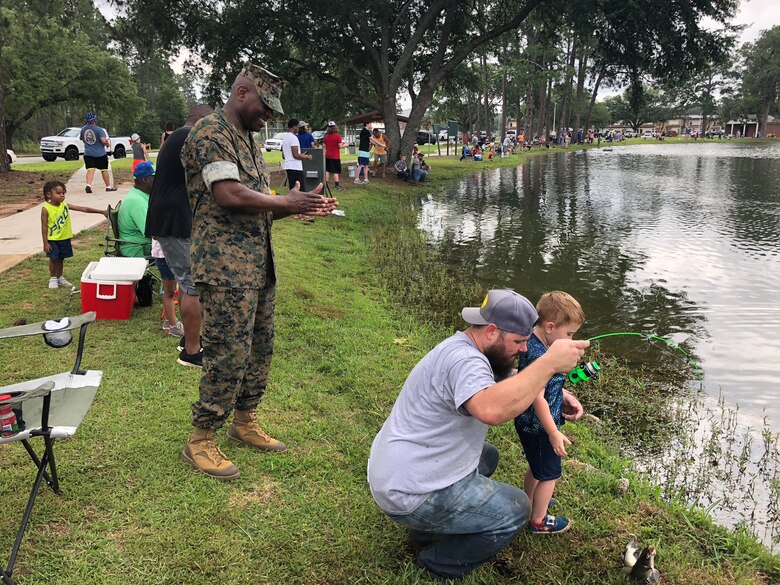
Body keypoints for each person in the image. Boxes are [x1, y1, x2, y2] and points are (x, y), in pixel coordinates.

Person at [179, 62, 338, 481]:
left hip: (257, 264)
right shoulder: (210, 132)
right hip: (225, 268)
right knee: (227, 352)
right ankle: (201, 439)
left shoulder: (248, 140)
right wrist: (284, 202)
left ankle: (244, 420)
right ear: (242, 93)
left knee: (260, 347)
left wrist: (298, 207)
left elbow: (255, 207)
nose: (268, 116)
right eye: (265, 107)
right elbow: (228, 194)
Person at [368, 289, 588, 579]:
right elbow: (491, 410)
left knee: (488, 455)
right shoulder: (465, 362)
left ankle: (426, 531)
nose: (524, 349)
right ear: (492, 331)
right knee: (517, 508)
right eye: (519, 342)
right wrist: (548, 364)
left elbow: (509, 380)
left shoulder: (469, 348)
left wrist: (559, 389)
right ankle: (437, 562)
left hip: (402, 470)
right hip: (408, 491)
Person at [145, 104, 214, 368]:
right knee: (192, 283)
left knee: (188, 281)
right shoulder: (187, 136)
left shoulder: (176, 138)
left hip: (171, 217)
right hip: (173, 219)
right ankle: (192, 351)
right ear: (202, 120)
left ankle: (189, 339)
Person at [514, 291, 585, 535]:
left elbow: (546, 384)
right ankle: (538, 520)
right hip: (540, 425)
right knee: (550, 474)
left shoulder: (535, 345)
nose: (571, 340)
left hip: (528, 421)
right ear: (550, 327)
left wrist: (564, 395)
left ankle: (530, 501)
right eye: (569, 335)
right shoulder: (540, 355)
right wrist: (553, 432)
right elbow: (537, 396)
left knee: (537, 466)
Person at [40, 180, 107, 289]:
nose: (62, 195)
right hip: (52, 239)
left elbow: (84, 209)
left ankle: (60, 277)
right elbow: (44, 226)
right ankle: (53, 278)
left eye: (63, 193)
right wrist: (45, 242)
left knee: (61, 258)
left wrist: (101, 211)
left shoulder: (65, 206)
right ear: (49, 194)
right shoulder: (46, 209)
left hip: (64, 238)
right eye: (58, 193)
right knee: (53, 258)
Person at [118, 161, 155, 258]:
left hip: (143, 244)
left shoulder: (141, 194)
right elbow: (153, 233)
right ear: (146, 179)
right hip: (137, 248)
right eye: (156, 177)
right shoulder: (137, 201)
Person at [151, 238, 184, 338]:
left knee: (185, 289)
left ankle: (186, 322)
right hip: (164, 255)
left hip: (182, 252)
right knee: (170, 291)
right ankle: (172, 324)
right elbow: (154, 234)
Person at [80, 112, 117, 194]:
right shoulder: (99, 130)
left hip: (88, 153)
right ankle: (108, 186)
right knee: (104, 170)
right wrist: (107, 144)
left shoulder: (83, 129)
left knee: (90, 170)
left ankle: (88, 185)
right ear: (95, 120)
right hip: (100, 153)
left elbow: (82, 139)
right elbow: (103, 140)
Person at [281, 118, 313, 190]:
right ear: (294, 126)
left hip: (288, 167)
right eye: (298, 126)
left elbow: (283, 155)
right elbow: (295, 155)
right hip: (295, 168)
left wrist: (300, 154)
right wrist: (307, 157)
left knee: (293, 189)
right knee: (301, 190)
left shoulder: (285, 138)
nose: (298, 128)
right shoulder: (293, 138)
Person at [323, 120, 344, 190]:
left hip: (327, 155)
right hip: (335, 156)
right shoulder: (337, 136)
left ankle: (326, 185)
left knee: (327, 170)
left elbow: (324, 146)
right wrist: (345, 145)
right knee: (335, 171)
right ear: (335, 127)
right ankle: (337, 185)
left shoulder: (326, 136)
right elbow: (340, 146)